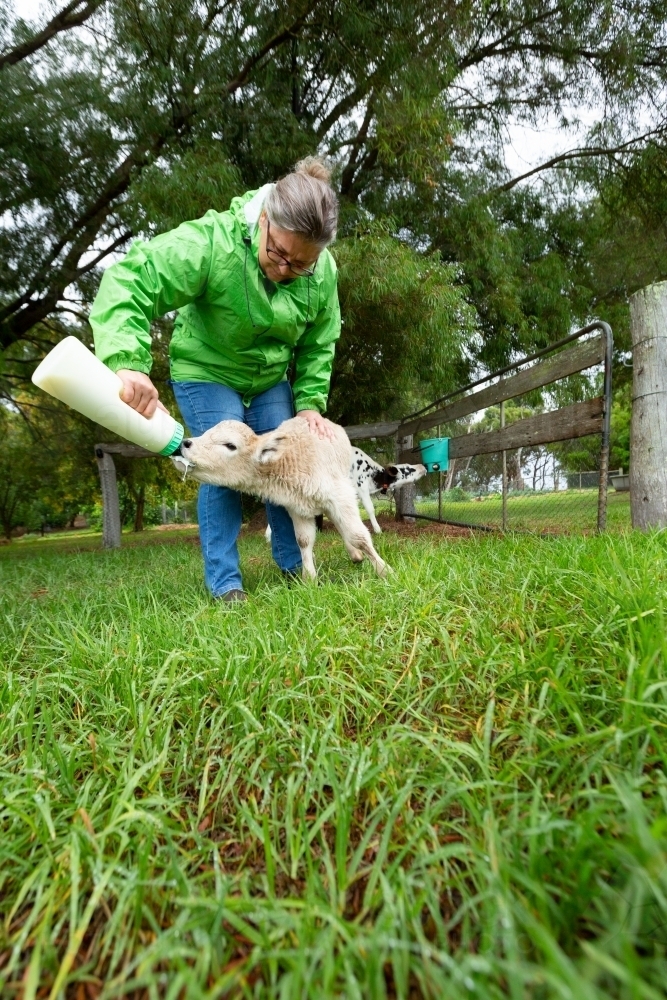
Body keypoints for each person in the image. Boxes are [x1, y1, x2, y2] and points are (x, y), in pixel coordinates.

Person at [90, 158, 341, 602]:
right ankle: (226, 583)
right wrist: (127, 362)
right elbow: (133, 278)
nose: (285, 270)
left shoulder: (322, 272)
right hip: (206, 370)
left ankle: (295, 568)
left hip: (267, 379)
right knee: (221, 464)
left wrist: (309, 403)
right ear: (264, 219)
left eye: (300, 265)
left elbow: (322, 339)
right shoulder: (213, 242)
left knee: (282, 464)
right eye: (278, 253)